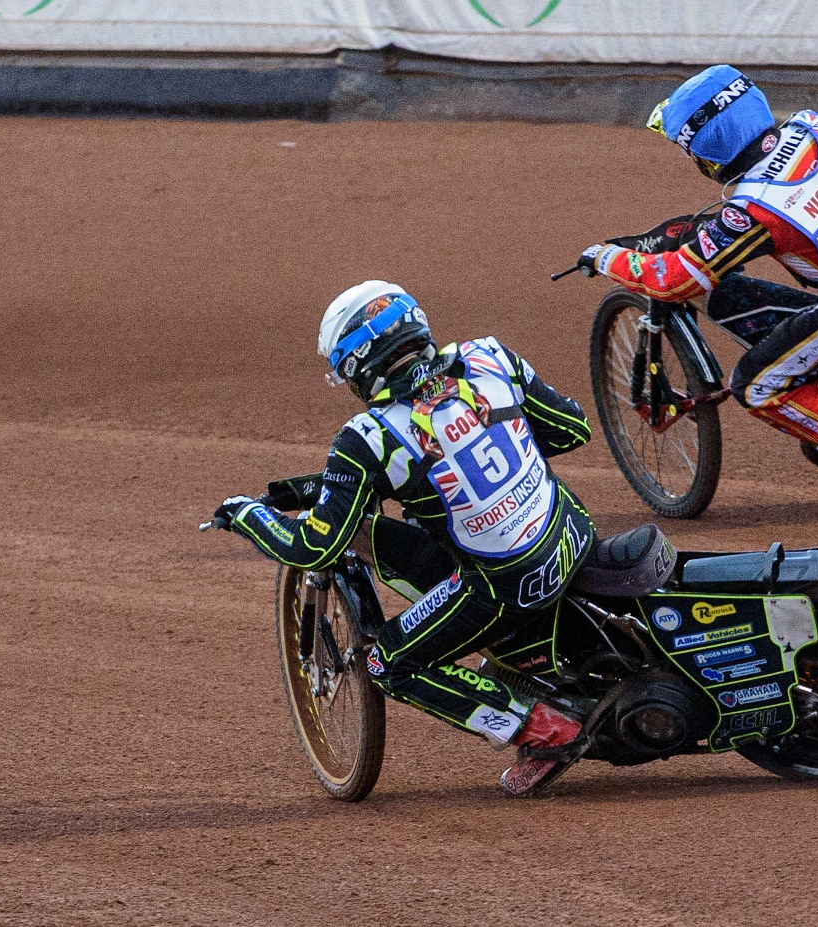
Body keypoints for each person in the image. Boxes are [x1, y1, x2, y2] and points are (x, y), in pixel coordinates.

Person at [213, 280, 596, 797]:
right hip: (573, 534)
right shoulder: (489, 355)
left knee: (388, 664)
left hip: (507, 588)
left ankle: (544, 730)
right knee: (431, 531)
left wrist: (246, 515)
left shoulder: (366, 437)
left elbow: (316, 549)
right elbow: (571, 430)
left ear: (359, 366)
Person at [577, 64, 818, 497]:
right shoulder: (817, 125)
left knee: (757, 386)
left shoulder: (754, 210)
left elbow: (672, 280)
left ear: (708, 156)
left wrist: (606, 258)